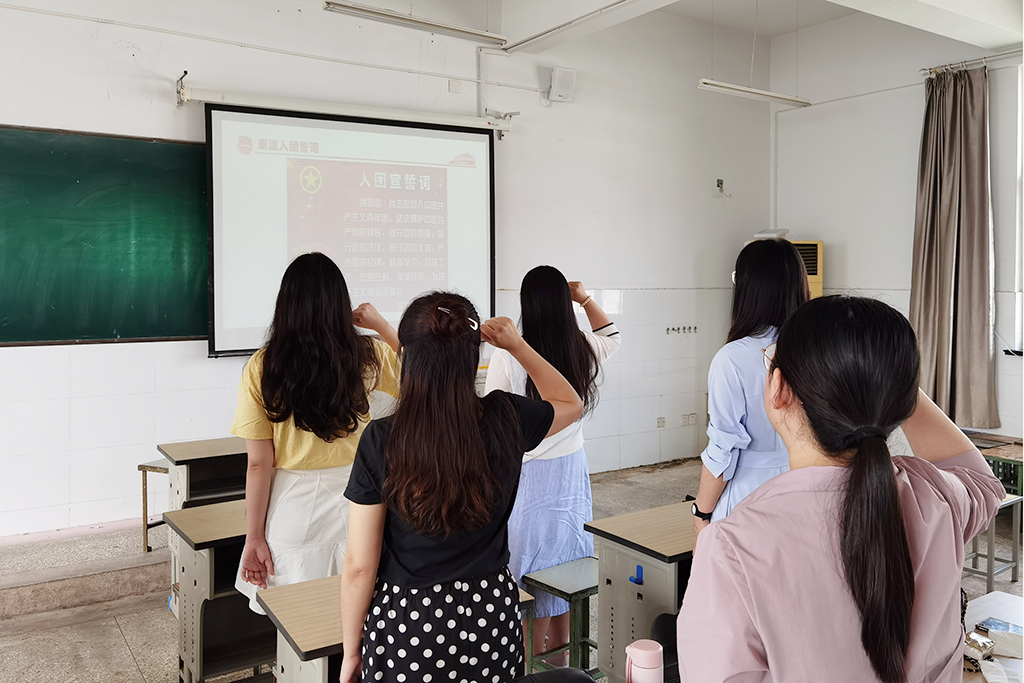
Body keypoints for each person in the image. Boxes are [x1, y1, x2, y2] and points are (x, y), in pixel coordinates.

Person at [676, 296, 1005, 683]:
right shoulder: (935, 496)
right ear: (900, 399)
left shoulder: (732, 548)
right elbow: (983, 482)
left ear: (779, 388)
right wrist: (882, 377)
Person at [340, 292, 584, 683]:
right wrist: (517, 346)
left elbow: (359, 567)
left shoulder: (383, 438)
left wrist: (352, 650)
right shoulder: (507, 416)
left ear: (407, 358)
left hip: (409, 623)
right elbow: (570, 402)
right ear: (474, 357)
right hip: (492, 615)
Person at [229, 252, 400, 614]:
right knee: (361, 614)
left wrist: (254, 537)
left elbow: (258, 464)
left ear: (286, 306)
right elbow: (427, 376)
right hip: (363, 500)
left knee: (297, 623)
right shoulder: (370, 354)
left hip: (294, 507)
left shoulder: (263, 366)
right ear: (341, 305)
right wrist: (383, 326)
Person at [484, 266, 621, 660]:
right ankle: (564, 662)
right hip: (571, 474)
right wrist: (586, 299)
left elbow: (495, 421)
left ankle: (529, 664)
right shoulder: (582, 344)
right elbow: (612, 336)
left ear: (525, 303)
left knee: (527, 571)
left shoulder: (509, 355)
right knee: (568, 564)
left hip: (526, 478)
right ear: (564, 303)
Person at [691, 239, 808, 542]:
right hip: (807, 489)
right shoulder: (816, 348)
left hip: (749, 493)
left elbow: (723, 449)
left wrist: (701, 513)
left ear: (747, 288)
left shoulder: (732, 358)